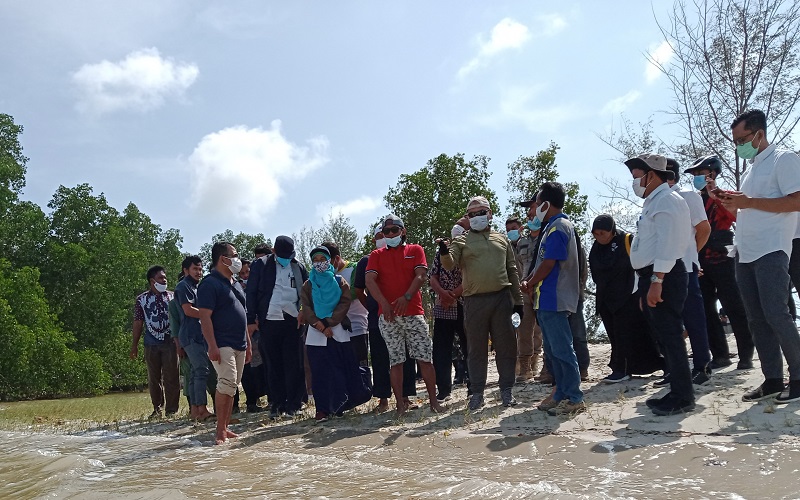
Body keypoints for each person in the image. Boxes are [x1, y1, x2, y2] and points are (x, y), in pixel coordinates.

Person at [720, 109, 800, 403]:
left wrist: (749, 202)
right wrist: (732, 203)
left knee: (776, 314)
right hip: (745, 251)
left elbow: (796, 201)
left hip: (772, 248)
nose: (738, 146)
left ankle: (799, 376)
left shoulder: (784, 159)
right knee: (756, 319)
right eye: (735, 141)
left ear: (759, 134)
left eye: (742, 140)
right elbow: (751, 207)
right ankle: (773, 379)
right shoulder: (752, 170)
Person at [625, 153, 694, 416]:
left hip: (664, 275)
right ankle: (676, 390)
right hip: (652, 276)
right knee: (664, 336)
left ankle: (683, 396)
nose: (635, 183)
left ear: (651, 175)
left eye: (637, 177)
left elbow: (669, 244)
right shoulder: (654, 202)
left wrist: (657, 281)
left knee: (671, 336)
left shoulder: (667, 200)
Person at [440, 197, 523, 410]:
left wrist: (518, 302)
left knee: (506, 346)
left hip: (502, 299)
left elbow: (512, 270)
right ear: (467, 217)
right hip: (474, 301)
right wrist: (443, 251)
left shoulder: (502, 239)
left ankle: (507, 391)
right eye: (472, 214)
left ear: (490, 213)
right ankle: (477, 393)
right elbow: (449, 264)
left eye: (481, 212)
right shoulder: (461, 241)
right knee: (476, 349)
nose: (477, 217)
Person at [366, 214, 444, 415]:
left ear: (403, 231)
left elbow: (421, 275)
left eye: (394, 230)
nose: (391, 234)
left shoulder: (415, 250)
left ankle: (434, 402)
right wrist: (384, 304)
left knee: (425, 358)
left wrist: (406, 297)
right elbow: (369, 280)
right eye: (387, 231)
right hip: (388, 316)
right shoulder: (376, 255)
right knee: (396, 361)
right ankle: (400, 405)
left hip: (413, 312)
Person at [684, 155, 754, 370]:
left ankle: (746, 354)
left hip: (723, 256)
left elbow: (735, 216)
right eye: (695, 174)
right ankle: (720, 354)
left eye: (700, 173)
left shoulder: (724, 196)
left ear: (712, 174)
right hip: (701, 257)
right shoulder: (694, 200)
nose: (697, 177)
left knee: (734, 306)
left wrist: (717, 194)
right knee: (705, 308)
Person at [520, 183, 585, 416]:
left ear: (546, 204)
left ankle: (575, 397)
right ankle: (560, 393)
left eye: (537, 203)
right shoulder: (550, 227)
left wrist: (530, 282)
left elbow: (549, 263)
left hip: (555, 297)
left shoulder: (559, 227)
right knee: (552, 350)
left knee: (562, 349)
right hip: (545, 299)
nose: (535, 208)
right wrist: (530, 281)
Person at [589, 214, 664, 382]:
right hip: (606, 299)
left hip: (628, 296)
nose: (599, 237)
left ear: (612, 230)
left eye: (603, 233)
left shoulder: (627, 240)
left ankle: (626, 369)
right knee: (615, 337)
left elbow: (640, 266)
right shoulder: (596, 249)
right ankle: (622, 368)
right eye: (596, 233)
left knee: (633, 335)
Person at [302, 246, 372, 421]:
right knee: (320, 372)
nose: (319, 263)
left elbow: (344, 303)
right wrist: (320, 325)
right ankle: (322, 409)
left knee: (339, 369)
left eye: (322, 259)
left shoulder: (340, 282)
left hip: (338, 331)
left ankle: (340, 405)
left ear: (329, 260)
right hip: (316, 334)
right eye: (315, 260)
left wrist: (329, 322)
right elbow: (307, 308)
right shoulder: (308, 284)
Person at [355, 224, 418, 413]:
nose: (386, 237)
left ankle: (405, 397)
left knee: (405, 358)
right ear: (374, 239)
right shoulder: (365, 261)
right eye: (382, 235)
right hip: (377, 320)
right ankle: (383, 399)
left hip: (403, 315)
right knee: (380, 359)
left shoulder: (404, 255)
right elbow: (359, 290)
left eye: (392, 232)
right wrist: (373, 307)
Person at [246, 235, 309, 417]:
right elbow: (251, 292)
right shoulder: (261, 265)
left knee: (294, 364)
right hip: (268, 320)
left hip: (293, 321)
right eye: (282, 256)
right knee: (273, 364)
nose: (285, 259)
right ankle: (277, 404)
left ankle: (294, 404)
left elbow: (307, 292)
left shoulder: (298, 267)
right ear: (273, 251)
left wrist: (304, 311)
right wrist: (251, 319)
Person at [197, 242, 251, 445]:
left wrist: (248, 343)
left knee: (233, 386)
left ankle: (226, 427)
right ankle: (220, 431)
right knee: (226, 382)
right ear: (223, 259)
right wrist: (212, 345)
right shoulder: (209, 284)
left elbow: (243, 315)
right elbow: (205, 317)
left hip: (240, 343)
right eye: (234, 255)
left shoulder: (235, 283)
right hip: (221, 342)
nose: (238, 259)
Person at [666, 159, 713, 385]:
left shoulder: (688, 196)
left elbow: (704, 229)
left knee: (693, 318)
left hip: (685, 267)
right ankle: (675, 369)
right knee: (669, 322)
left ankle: (702, 365)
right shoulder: (654, 202)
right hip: (662, 269)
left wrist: (692, 255)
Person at [131, 265, 180, 418]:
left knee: (172, 376)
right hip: (151, 343)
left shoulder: (173, 296)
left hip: (170, 342)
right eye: (161, 278)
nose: (164, 280)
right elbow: (138, 322)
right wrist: (134, 345)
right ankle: (157, 408)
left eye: (165, 277)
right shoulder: (141, 300)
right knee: (154, 378)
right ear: (152, 281)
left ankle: (171, 410)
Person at [174, 255, 215, 421]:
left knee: (194, 373)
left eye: (200, 269)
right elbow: (188, 310)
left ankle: (195, 411)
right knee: (201, 370)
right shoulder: (183, 286)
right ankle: (202, 409)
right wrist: (211, 315)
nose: (199, 272)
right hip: (191, 335)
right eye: (195, 269)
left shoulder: (197, 287)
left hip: (199, 334)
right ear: (185, 270)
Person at [429, 223, 465, 402]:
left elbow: (471, 277)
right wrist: (443, 294)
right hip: (443, 305)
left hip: (465, 303)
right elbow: (433, 276)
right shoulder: (440, 254)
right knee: (441, 349)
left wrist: (454, 294)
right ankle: (443, 389)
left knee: (469, 345)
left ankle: (473, 386)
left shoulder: (468, 252)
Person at [506, 215, 542, 383]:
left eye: (513, 228)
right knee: (523, 331)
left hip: (536, 288)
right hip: (519, 294)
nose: (511, 232)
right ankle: (524, 367)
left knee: (538, 331)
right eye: (508, 230)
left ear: (520, 228)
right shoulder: (507, 247)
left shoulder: (529, 242)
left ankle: (536, 364)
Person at [238, 259, 268, 413]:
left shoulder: (260, 285)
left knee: (264, 365)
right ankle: (251, 401)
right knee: (248, 368)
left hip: (260, 329)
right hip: (244, 332)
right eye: (242, 273)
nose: (245, 275)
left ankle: (270, 397)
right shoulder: (237, 288)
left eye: (247, 272)